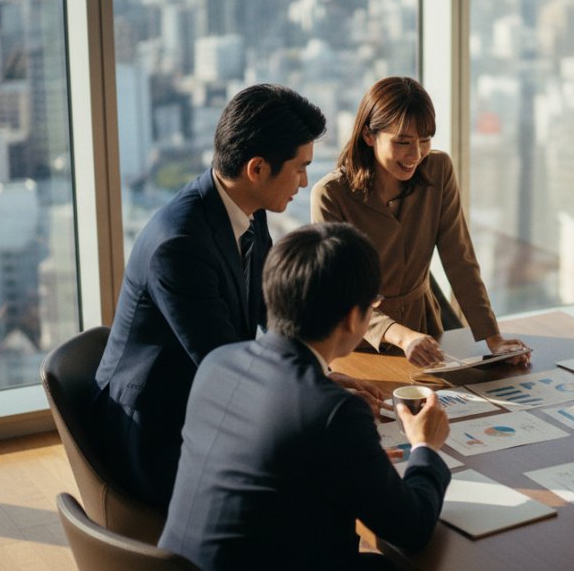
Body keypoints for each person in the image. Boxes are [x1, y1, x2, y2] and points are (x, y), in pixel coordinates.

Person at [91, 84, 381, 508]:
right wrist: (313, 390)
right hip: (155, 429)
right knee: (313, 484)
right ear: (258, 168)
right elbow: (224, 361)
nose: (304, 181)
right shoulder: (180, 244)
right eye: (299, 168)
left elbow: (269, 311)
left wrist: (315, 373)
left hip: (202, 395)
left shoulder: (249, 207)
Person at [160, 223, 452, 570]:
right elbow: (412, 528)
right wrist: (424, 447)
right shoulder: (332, 411)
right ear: (351, 319)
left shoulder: (217, 363)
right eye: (373, 304)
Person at [311, 76, 528, 367]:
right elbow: (339, 291)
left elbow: (460, 260)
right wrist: (402, 337)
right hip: (357, 342)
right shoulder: (330, 194)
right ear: (369, 136)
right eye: (402, 142)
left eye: (424, 140)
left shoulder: (438, 170)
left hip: (426, 333)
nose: (415, 155)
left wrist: (494, 338)